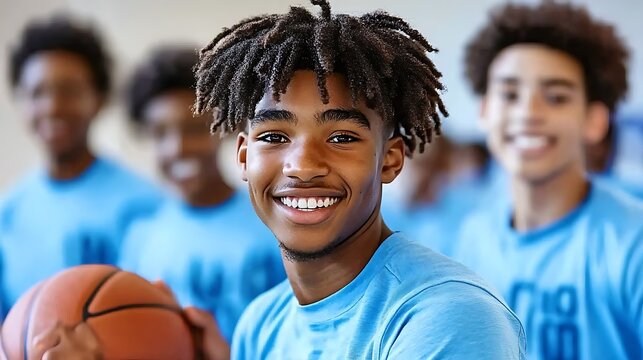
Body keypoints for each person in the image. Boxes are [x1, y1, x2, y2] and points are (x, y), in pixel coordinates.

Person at [31, 1, 526, 359]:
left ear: (390, 159)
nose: (302, 165)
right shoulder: (260, 326)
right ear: (244, 156)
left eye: (341, 137)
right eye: (274, 135)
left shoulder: (448, 317)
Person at [456, 2, 643, 359]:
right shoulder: (473, 237)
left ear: (594, 121)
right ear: (484, 111)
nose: (529, 113)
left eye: (556, 97)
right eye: (510, 94)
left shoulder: (633, 244)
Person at [119, 46, 285, 342]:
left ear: (226, 128)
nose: (177, 148)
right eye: (160, 133)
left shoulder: (273, 225)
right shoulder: (140, 236)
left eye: (194, 129)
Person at [0, 15, 161, 318]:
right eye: (37, 93)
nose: (52, 106)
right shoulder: (7, 212)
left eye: (69, 91)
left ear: (98, 99)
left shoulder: (146, 204)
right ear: (20, 101)